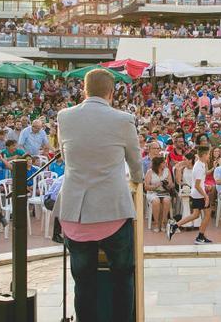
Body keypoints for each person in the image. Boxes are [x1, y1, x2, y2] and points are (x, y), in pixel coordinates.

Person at [54, 68, 143, 322]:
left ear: (84, 89)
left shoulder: (65, 117)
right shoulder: (123, 119)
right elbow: (135, 164)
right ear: (111, 93)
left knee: (83, 283)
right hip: (112, 212)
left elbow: (64, 156)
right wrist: (136, 181)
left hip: (76, 214)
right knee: (122, 276)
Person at [168, 145, 213, 244]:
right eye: (208, 154)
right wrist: (205, 196)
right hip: (199, 194)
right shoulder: (199, 167)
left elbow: (203, 177)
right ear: (204, 155)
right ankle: (200, 236)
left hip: (196, 193)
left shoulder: (200, 164)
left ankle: (175, 226)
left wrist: (214, 166)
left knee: (195, 215)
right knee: (208, 213)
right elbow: (197, 185)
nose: (209, 156)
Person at [144, 156, 174, 233]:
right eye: (163, 162)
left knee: (167, 200)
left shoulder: (167, 170)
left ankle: (164, 223)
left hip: (164, 192)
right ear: (158, 164)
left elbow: (171, 184)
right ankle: (156, 223)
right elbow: (146, 187)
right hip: (152, 192)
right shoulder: (150, 172)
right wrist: (155, 185)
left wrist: (168, 185)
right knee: (156, 201)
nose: (165, 164)